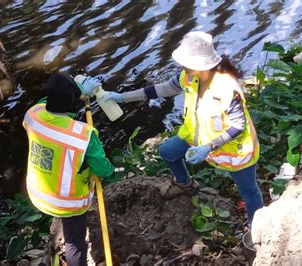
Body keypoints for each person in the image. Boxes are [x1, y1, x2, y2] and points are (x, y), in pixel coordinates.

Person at [97, 31, 263, 227]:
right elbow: (161, 89)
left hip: (235, 152)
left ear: (200, 63)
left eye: (185, 60)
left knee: (250, 192)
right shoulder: (188, 76)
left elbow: (238, 125)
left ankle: (256, 228)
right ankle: (185, 184)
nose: (181, 64)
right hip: (196, 137)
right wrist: (122, 97)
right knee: (167, 151)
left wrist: (208, 148)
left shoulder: (226, 87)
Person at [22, 74, 117, 265]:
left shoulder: (32, 115)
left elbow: (43, 101)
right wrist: (111, 171)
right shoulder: (83, 134)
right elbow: (102, 170)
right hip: (67, 202)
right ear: (74, 102)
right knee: (75, 242)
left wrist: (80, 91)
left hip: (37, 194)